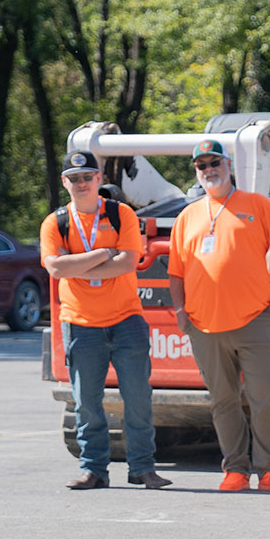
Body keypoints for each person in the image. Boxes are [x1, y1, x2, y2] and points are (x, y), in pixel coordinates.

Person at [169, 139, 270, 493]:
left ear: (228, 164)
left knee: (265, 397)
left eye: (214, 162)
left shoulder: (258, 206)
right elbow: (176, 272)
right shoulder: (187, 216)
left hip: (256, 319)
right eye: (201, 165)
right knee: (222, 400)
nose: (209, 170)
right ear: (196, 172)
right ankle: (235, 469)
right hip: (204, 325)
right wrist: (180, 311)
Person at [40, 151, 166, 490]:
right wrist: (102, 254)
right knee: (86, 402)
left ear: (98, 179)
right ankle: (93, 469)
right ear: (65, 182)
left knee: (138, 398)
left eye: (87, 177)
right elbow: (54, 268)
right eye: (74, 178)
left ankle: (143, 468)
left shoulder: (120, 213)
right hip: (80, 322)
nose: (81, 183)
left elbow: (128, 263)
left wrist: (76, 264)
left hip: (127, 319)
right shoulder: (55, 222)